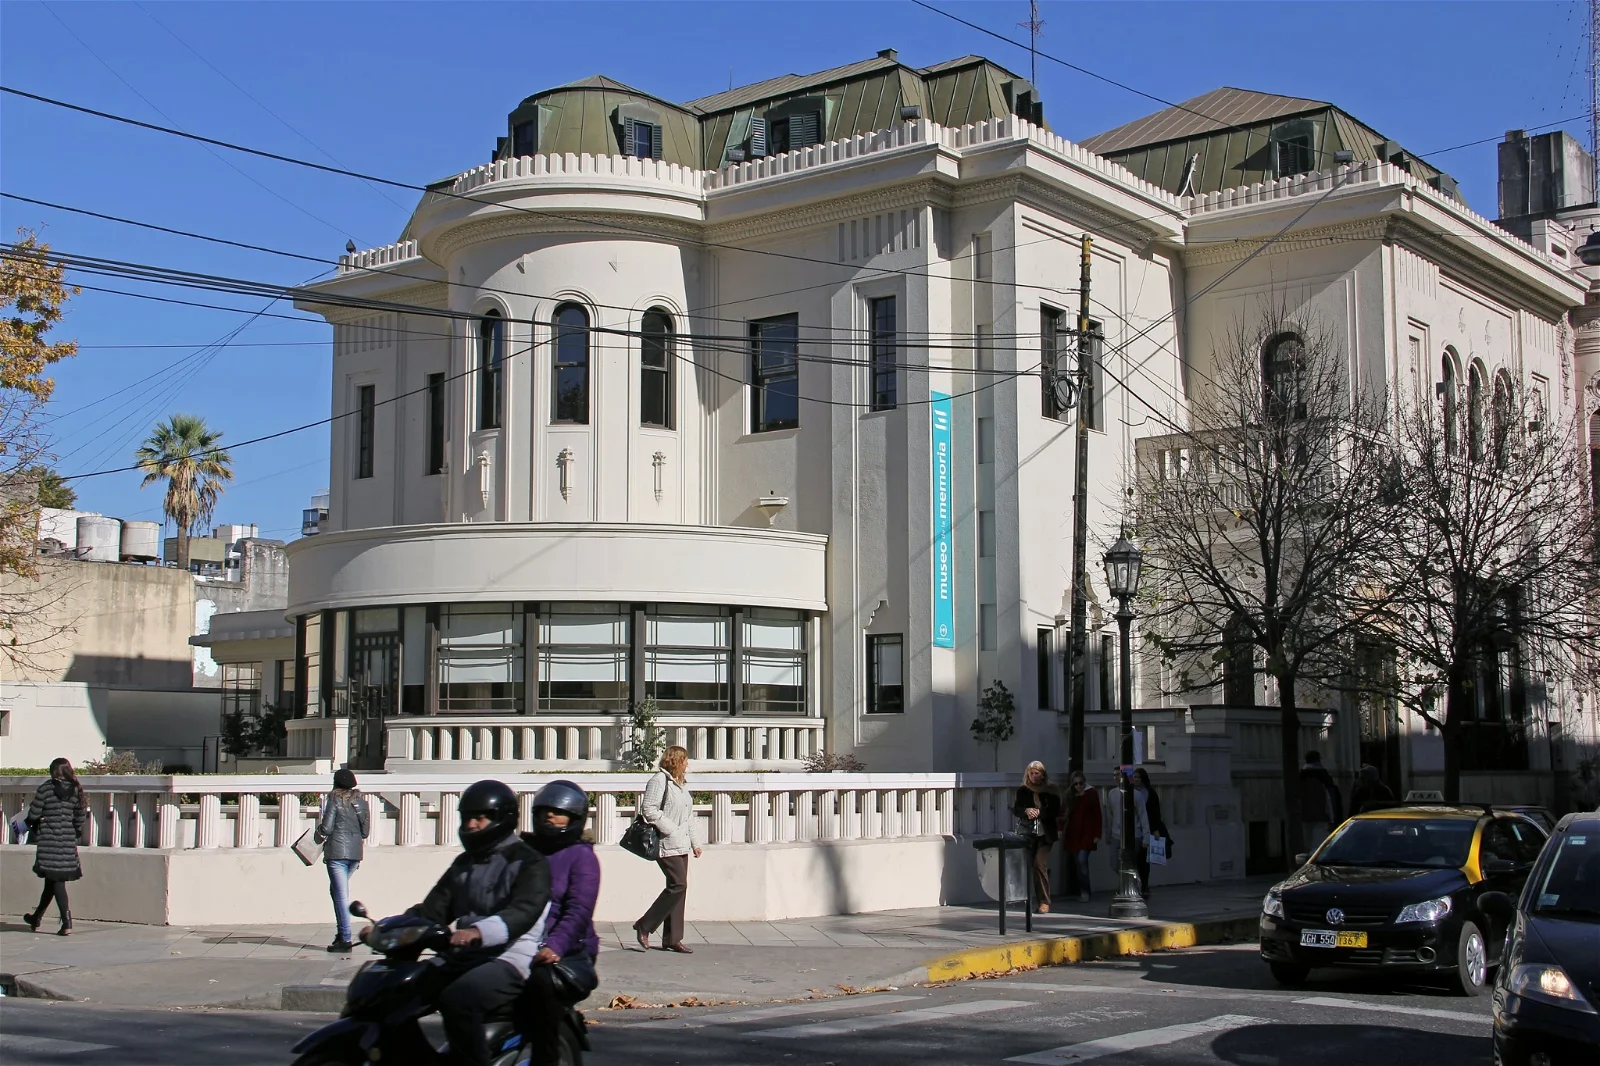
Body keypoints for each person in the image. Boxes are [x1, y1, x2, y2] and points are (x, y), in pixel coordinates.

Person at [364, 779, 551, 1066]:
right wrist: (386, 931)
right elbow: (432, 909)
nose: (472, 825)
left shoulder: (529, 862)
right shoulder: (465, 863)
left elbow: (523, 912)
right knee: (400, 990)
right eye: (467, 818)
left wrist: (478, 932)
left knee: (458, 999)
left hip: (510, 957)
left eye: (481, 818)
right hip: (466, 955)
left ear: (502, 819)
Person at [517, 780, 600, 1066]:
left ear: (574, 818)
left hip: (569, 951)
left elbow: (579, 910)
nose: (550, 817)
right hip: (521, 940)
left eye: (558, 813)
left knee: (541, 986)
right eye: (545, 812)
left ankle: (547, 1058)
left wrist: (555, 946)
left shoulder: (581, 858)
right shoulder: (525, 851)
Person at [634, 745, 701, 953]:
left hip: (682, 844)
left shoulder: (680, 784)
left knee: (680, 887)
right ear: (676, 760)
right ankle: (644, 925)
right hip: (666, 842)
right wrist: (670, 829)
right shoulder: (658, 781)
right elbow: (648, 809)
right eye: (685, 761)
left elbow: (688, 816)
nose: (687, 765)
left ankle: (672, 939)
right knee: (677, 884)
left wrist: (695, 843)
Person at [24, 758, 88, 936]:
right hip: (67, 841)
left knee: (57, 882)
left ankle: (67, 922)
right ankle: (36, 917)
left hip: (49, 841)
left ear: (52, 771)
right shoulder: (76, 790)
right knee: (52, 882)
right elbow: (80, 817)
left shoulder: (46, 788)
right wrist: (73, 829)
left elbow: (34, 813)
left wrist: (34, 821)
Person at [315, 768, 369, 952]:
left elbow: (327, 828)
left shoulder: (334, 800)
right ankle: (341, 934)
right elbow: (365, 832)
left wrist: (318, 831)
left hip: (337, 854)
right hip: (354, 855)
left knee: (340, 896)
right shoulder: (362, 803)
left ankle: (345, 939)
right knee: (336, 891)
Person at [1012, 761, 1062, 912]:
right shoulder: (1023, 791)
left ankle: (1044, 902)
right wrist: (1026, 811)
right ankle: (1031, 897)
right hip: (1029, 833)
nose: (1033, 777)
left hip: (1046, 833)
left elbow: (1056, 810)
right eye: (1031, 773)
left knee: (1039, 863)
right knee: (1032, 865)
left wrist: (1040, 812)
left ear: (1042, 775)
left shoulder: (1051, 790)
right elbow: (1016, 809)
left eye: (1036, 773)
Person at [1061, 770, 1102, 904]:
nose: (1078, 786)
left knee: (1082, 860)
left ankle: (1086, 891)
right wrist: (1060, 828)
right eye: (1076, 784)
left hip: (1088, 833)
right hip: (1074, 833)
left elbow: (1097, 814)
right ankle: (1082, 890)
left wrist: (1097, 834)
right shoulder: (1070, 796)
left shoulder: (1091, 793)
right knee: (1078, 863)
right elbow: (1064, 813)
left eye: (1081, 783)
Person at [1132, 768, 1166, 900]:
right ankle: (1136, 885)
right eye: (1134, 777)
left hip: (1147, 830)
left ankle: (1145, 885)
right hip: (1135, 830)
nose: (1136, 780)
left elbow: (1155, 812)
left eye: (1138, 777)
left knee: (1144, 861)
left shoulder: (1150, 793)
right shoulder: (1130, 792)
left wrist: (1155, 828)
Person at [1297, 751, 1342, 852]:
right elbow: (1330, 799)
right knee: (1319, 846)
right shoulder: (1324, 777)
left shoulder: (1301, 776)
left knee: (1307, 845)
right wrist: (1333, 818)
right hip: (1322, 816)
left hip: (1304, 816)